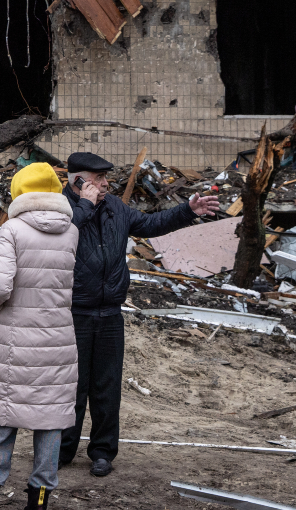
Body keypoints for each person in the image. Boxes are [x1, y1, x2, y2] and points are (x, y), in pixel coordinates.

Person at [59, 151, 219, 476]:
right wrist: (85, 206)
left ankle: (102, 451)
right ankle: (61, 450)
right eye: (98, 179)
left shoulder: (116, 207)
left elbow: (149, 224)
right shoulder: (60, 209)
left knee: (107, 386)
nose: (106, 184)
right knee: (70, 387)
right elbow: (63, 236)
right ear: (77, 180)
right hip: (72, 314)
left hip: (109, 315)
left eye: (106, 178)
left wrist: (187, 211)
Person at [0, 163, 79, 510]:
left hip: (16, 340)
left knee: (0, 419)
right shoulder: (71, 231)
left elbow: (0, 286)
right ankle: (39, 502)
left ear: (20, 193)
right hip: (58, 341)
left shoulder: (13, 230)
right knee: (49, 421)